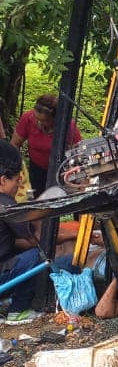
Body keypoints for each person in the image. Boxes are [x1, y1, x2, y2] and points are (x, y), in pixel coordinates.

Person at [0, 142, 78, 320]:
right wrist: (76, 234)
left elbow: (13, 242)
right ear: (3, 180)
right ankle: (18, 310)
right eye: (16, 180)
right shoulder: (4, 204)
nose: (19, 186)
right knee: (39, 255)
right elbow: (38, 238)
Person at [11, 94, 81, 195]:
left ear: (55, 118)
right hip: (36, 168)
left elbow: (77, 154)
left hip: (59, 170)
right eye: (37, 119)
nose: (39, 123)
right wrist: (17, 168)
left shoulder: (68, 127)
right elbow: (14, 144)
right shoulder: (28, 118)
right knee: (37, 196)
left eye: (44, 121)